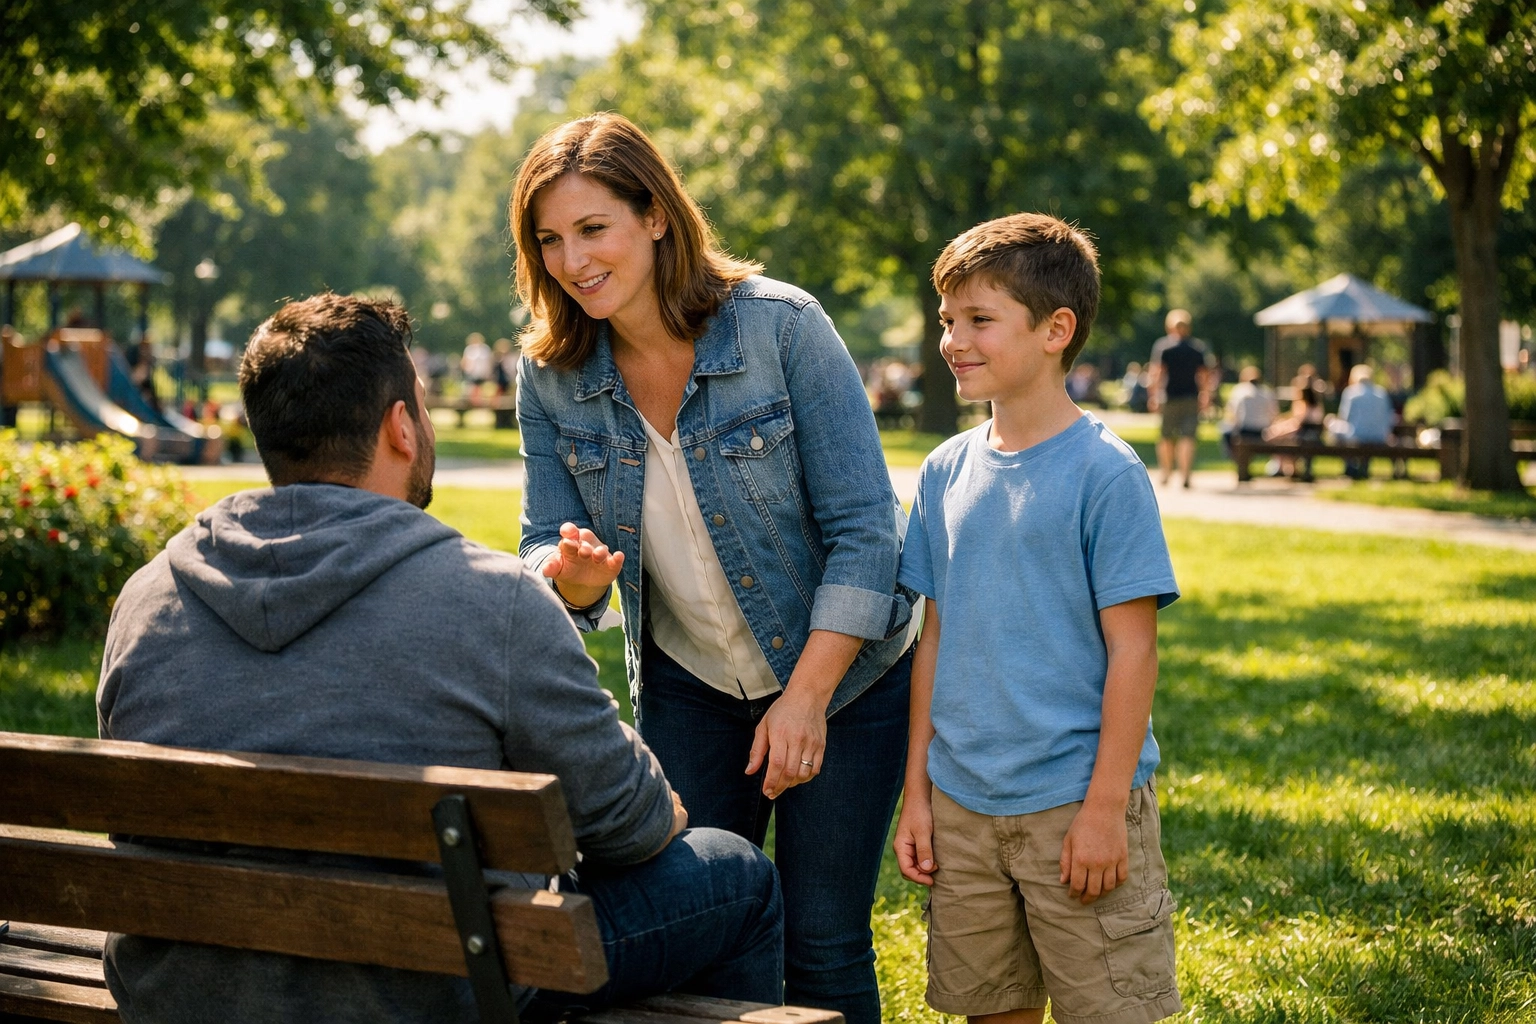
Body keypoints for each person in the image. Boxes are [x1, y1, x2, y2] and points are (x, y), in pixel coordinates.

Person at [98, 293, 784, 1024]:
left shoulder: (149, 598)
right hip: (428, 989)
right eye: (420, 409)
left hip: (185, 989)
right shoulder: (494, 601)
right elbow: (632, 824)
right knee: (736, 874)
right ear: (401, 427)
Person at [511, 113, 915, 1024]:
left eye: (592, 229)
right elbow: (543, 539)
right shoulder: (551, 375)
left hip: (847, 678)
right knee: (694, 926)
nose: (573, 261)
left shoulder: (781, 328)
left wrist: (807, 696)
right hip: (691, 682)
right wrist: (567, 580)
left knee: (823, 936)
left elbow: (866, 533)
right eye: (549, 239)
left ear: (655, 215)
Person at [893, 213, 1183, 1024]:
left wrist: (1102, 810)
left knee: (1110, 1011)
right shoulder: (945, 469)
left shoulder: (1104, 472)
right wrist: (916, 793)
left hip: (1073, 805)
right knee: (990, 1011)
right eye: (948, 319)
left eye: (979, 320)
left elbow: (1134, 654)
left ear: (1057, 330)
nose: (954, 338)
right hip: (962, 804)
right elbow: (935, 638)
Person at [1147, 309, 1215, 488]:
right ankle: (1185, 476)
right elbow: (1205, 376)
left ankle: (1166, 473)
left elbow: (1157, 374)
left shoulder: (1164, 347)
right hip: (1191, 397)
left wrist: (1153, 396)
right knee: (1188, 437)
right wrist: (1206, 396)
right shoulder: (1198, 348)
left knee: (1166, 437)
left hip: (1170, 398)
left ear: (1170, 327)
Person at [1330, 363, 1395, 479]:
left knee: (1334, 427)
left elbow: (1344, 416)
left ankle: (1350, 465)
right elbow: (1389, 417)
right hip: (1379, 436)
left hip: (1357, 435)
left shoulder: (1351, 392)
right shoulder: (1381, 393)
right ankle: (1364, 466)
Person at [1264, 364, 1326, 481]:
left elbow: (1298, 423)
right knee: (1283, 438)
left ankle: (1283, 467)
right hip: (1313, 436)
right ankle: (1288, 468)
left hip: (1304, 436)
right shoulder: (1316, 404)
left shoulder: (1304, 405)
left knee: (1282, 439)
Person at [1219, 365, 1278, 459]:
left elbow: (1233, 413)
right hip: (1263, 432)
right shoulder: (1267, 391)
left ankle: (1233, 458)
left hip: (1245, 431)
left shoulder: (1239, 390)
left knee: (1224, 429)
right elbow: (1274, 413)